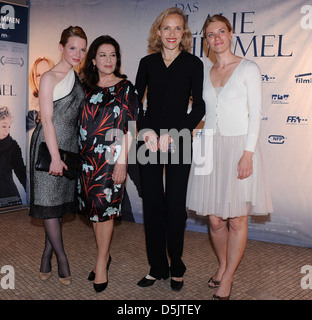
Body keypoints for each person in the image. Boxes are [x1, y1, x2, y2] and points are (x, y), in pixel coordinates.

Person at [186, 15, 273, 300]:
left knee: (237, 219)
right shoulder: (206, 72)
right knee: (214, 219)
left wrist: (248, 153)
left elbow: (256, 114)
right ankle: (223, 265)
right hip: (209, 146)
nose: (216, 38)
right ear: (206, 41)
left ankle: (228, 278)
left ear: (231, 33)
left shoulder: (248, 68)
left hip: (239, 148)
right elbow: (200, 110)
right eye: (210, 35)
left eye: (221, 32)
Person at [135, 7, 205, 291]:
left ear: (184, 33)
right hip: (148, 140)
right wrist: (147, 131)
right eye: (167, 28)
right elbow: (135, 103)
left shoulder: (193, 63)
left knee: (175, 206)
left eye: (178, 28)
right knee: (152, 204)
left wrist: (178, 133)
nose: (172, 34)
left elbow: (199, 106)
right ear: (158, 31)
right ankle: (156, 267)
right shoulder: (147, 62)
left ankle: (176, 264)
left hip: (180, 140)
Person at [78, 35, 138, 293]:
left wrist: (122, 162)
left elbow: (131, 128)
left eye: (112, 55)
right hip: (86, 159)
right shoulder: (83, 87)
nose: (108, 60)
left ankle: (101, 261)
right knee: (95, 211)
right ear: (93, 59)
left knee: (106, 210)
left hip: (112, 160)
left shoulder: (126, 88)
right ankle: (105, 254)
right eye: (102, 55)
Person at [29, 26, 87, 286]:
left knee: (57, 205)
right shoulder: (49, 78)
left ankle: (45, 254)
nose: (78, 53)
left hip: (70, 147)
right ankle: (62, 260)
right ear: (61, 47)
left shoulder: (79, 78)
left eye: (83, 49)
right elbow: (48, 121)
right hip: (48, 147)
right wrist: (54, 157)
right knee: (49, 204)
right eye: (73, 47)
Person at [0, 106, 26, 206]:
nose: (7, 130)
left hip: (9, 196)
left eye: (9, 126)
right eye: (4, 126)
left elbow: (21, 172)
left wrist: (31, 194)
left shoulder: (13, 146)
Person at [27, 57, 55, 131]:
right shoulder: (28, 107)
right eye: (38, 75)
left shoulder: (64, 103)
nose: (42, 78)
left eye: (46, 73)